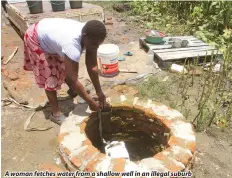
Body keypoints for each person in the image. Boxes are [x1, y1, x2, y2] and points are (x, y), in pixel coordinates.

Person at [23, 18, 107, 125]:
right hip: (36, 38)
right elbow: (72, 79)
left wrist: (99, 92)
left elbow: (92, 66)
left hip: (51, 34)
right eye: (94, 44)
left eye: (98, 45)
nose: (96, 47)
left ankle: (75, 92)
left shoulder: (91, 33)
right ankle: (55, 114)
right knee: (51, 76)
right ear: (84, 36)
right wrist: (89, 102)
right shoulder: (71, 45)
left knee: (66, 68)